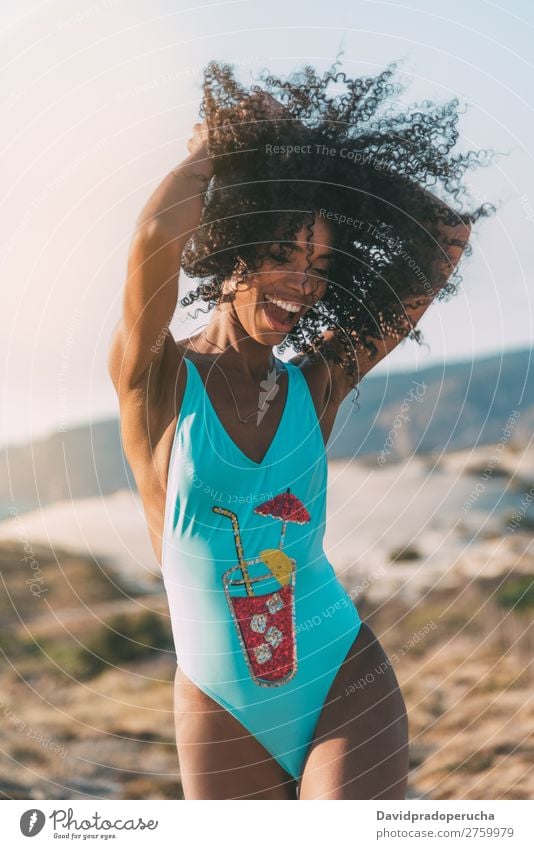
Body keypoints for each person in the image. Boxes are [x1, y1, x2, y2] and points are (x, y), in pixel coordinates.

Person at [108, 58, 495, 799]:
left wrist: (334, 163)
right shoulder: (154, 381)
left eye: (320, 265)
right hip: (221, 707)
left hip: (339, 677)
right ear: (229, 245)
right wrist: (219, 148)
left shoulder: (316, 383)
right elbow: (158, 230)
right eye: (283, 254)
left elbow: (443, 236)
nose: (302, 284)